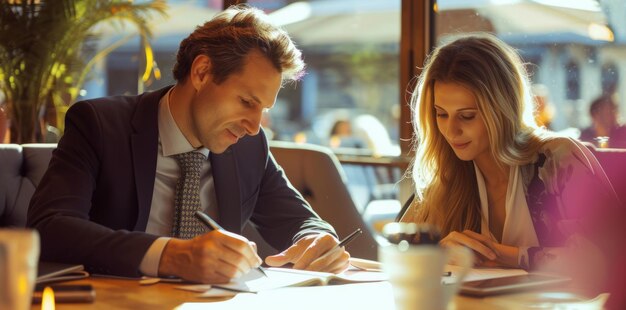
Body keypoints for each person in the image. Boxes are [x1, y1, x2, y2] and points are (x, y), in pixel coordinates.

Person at [27, 5, 349, 284]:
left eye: (263, 110)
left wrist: (316, 239)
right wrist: (170, 256)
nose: (254, 126)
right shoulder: (99, 125)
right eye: (246, 101)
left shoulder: (250, 147)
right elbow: (50, 227)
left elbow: (300, 220)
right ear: (202, 72)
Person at [400, 33, 619, 283]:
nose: (451, 131)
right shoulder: (448, 179)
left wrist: (509, 256)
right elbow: (396, 252)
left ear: (502, 110)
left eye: (467, 116)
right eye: (441, 114)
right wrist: (434, 254)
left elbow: (611, 260)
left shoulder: (557, 160)